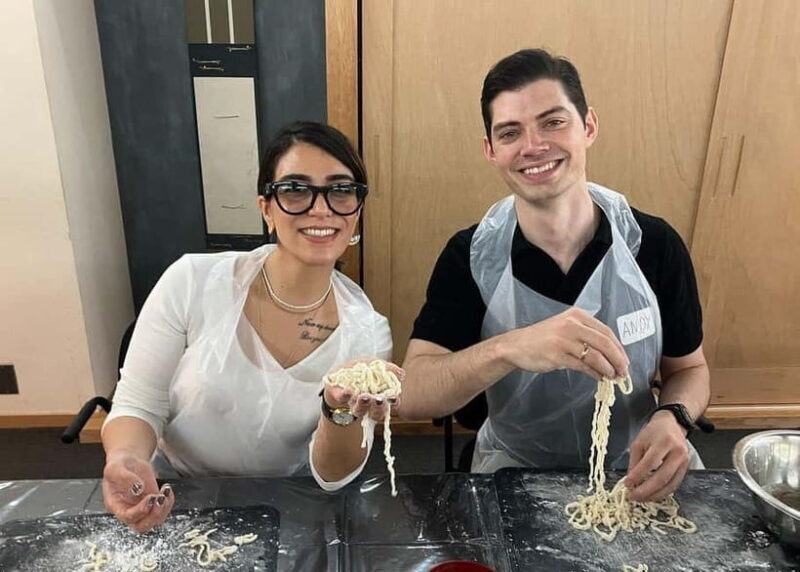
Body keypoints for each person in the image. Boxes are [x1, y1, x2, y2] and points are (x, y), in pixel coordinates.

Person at [398, 49, 710, 502]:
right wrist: (512, 347)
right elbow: (413, 393)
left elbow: (690, 368)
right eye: (510, 132)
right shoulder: (472, 255)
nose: (533, 146)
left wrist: (674, 418)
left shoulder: (654, 244)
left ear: (589, 126)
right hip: (516, 470)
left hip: (638, 467)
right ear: (491, 150)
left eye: (553, 122)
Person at [102, 121, 394, 533]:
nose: (322, 207)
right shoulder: (192, 282)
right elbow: (139, 403)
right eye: (296, 189)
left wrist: (338, 412)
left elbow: (333, 475)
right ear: (266, 208)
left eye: (341, 189)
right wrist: (126, 459)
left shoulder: (367, 331)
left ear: (357, 210)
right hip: (174, 500)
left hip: (291, 510)